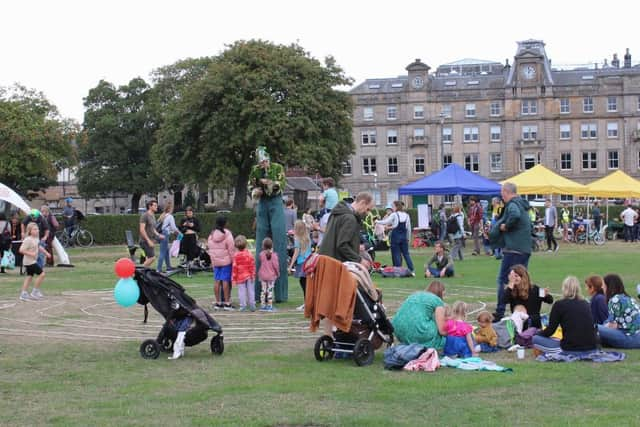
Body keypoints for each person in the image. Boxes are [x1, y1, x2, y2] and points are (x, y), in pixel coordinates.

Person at [249, 146, 288, 303]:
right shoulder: (255, 170)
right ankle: (259, 291)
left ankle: (280, 293)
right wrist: (256, 191)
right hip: (262, 203)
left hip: (275, 202)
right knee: (260, 241)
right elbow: (251, 186)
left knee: (279, 239)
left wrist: (269, 183)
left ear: (268, 160)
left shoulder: (277, 168)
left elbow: (280, 185)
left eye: (264, 161)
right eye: (260, 162)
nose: (263, 165)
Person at [491, 182, 532, 321]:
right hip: (525, 248)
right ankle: (521, 310)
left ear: (507, 192)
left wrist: (505, 226)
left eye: (502, 193)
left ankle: (500, 311)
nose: (502, 196)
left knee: (504, 280)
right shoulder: (522, 204)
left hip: (514, 249)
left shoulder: (513, 205)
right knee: (521, 280)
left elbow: (514, 215)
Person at [532, 276, 598, 354]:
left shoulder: (559, 305)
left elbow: (550, 331)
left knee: (535, 339)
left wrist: (538, 333)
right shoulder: (586, 303)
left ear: (564, 288)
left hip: (570, 349)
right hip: (592, 347)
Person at [319, 191, 374, 269]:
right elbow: (342, 245)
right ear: (362, 203)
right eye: (368, 209)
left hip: (327, 261)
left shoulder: (338, 213)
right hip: (336, 264)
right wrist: (359, 260)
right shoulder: (349, 218)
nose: (368, 213)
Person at [391, 281, 447, 349]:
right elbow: (442, 331)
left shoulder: (415, 295)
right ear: (441, 292)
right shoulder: (437, 301)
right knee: (441, 335)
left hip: (397, 329)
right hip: (417, 330)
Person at [597, 273, 640, 348]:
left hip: (630, 338)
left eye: (603, 285)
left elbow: (613, 325)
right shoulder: (627, 298)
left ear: (609, 286)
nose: (602, 287)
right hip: (636, 336)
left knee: (592, 327)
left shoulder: (615, 300)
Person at [503, 264, 553, 328]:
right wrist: (510, 285)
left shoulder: (535, 289)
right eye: (511, 276)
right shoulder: (511, 290)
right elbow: (503, 301)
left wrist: (546, 295)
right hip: (518, 325)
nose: (513, 279)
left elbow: (550, 300)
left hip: (533, 326)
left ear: (523, 277)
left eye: (516, 276)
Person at [375, 200, 414, 275]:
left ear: (396, 206)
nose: (392, 207)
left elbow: (386, 222)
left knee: (396, 254)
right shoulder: (407, 215)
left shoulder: (394, 214)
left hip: (395, 237)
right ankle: (412, 270)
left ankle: (398, 270)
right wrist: (408, 238)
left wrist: (377, 221)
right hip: (404, 237)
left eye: (393, 206)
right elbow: (409, 228)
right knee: (406, 254)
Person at [207, 216, 236, 311]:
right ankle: (227, 303)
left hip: (216, 261)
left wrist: (212, 261)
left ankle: (218, 302)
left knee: (216, 281)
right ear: (225, 223)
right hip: (226, 261)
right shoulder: (227, 234)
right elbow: (231, 249)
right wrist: (233, 261)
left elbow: (210, 249)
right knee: (225, 281)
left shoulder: (211, 234)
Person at [18, 223, 50, 300]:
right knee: (42, 274)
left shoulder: (36, 239)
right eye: (35, 229)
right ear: (30, 231)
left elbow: (38, 247)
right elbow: (21, 250)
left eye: (37, 229)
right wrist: (31, 253)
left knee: (29, 277)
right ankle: (34, 292)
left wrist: (46, 253)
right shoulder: (28, 239)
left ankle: (23, 294)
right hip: (29, 262)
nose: (37, 230)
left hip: (32, 260)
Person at [288, 220, 312, 311]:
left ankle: (307, 303)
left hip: (302, 263)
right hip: (309, 262)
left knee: (303, 283)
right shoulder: (307, 237)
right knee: (307, 283)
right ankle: (308, 302)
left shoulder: (297, 239)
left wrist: (290, 265)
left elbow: (296, 253)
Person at [231, 235, 256, 312]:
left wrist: (234, 279)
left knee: (241, 291)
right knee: (251, 291)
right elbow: (252, 265)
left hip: (240, 276)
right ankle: (252, 305)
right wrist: (253, 275)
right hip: (249, 275)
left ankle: (243, 305)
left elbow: (234, 268)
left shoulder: (236, 255)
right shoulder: (249, 254)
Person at [156, 201, 181, 273]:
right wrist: (179, 233)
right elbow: (173, 227)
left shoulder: (162, 216)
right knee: (162, 252)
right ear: (170, 209)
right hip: (165, 234)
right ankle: (159, 269)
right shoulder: (170, 216)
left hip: (161, 234)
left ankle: (168, 267)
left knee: (166, 251)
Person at [139, 200, 164, 268]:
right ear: (150, 206)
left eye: (157, 206)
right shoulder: (145, 215)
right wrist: (148, 241)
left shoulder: (152, 216)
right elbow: (142, 229)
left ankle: (144, 274)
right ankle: (137, 272)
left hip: (151, 240)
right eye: (155, 205)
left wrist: (158, 235)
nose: (156, 207)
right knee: (152, 258)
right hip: (145, 241)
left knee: (148, 258)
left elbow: (153, 229)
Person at [257, 237, 279, 312]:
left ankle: (263, 306)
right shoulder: (274, 255)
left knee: (263, 291)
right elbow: (276, 266)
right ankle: (270, 306)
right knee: (270, 291)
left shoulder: (261, 254)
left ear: (263, 246)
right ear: (272, 245)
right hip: (271, 276)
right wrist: (277, 273)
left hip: (262, 275)